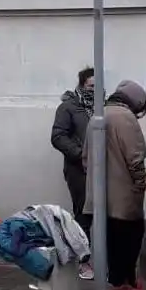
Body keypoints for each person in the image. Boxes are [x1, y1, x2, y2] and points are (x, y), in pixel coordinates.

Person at [84, 80, 146, 290]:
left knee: (109, 238)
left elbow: (85, 157)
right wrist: (141, 183)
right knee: (131, 236)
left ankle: (115, 281)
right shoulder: (126, 118)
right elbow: (135, 156)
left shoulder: (97, 115)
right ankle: (123, 282)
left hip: (101, 193)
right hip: (124, 193)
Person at [51, 67, 94, 235]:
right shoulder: (68, 107)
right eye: (91, 86)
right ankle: (84, 257)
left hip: (102, 168)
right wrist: (80, 154)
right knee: (83, 215)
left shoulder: (104, 106)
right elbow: (58, 136)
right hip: (78, 170)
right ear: (82, 85)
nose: (95, 91)